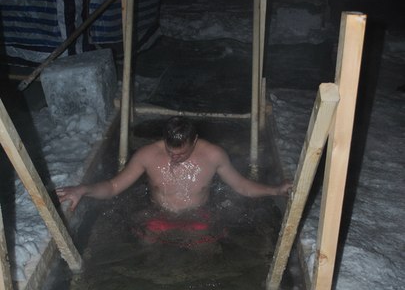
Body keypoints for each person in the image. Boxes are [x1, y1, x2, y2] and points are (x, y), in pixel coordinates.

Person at [56, 116, 291, 215]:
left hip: (198, 219)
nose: (174, 158)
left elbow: (241, 186)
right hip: (158, 216)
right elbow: (113, 187)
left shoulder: (213, 155)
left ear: (194, 141)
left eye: (182, 154)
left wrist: (275, 190)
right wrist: (83, 189)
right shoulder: (147, 155)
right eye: (170, 152)